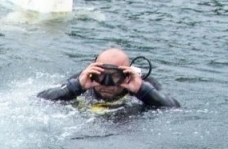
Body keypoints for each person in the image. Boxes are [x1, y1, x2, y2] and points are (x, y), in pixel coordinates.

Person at [37, 47, 180, 111]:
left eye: (115, 76)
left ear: (127, 74)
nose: (107, 83)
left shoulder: (141, 84)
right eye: (101, 75)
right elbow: (40, 99)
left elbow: (174, 107)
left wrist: (142, 90)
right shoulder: (85, 80)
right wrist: (75, 87)